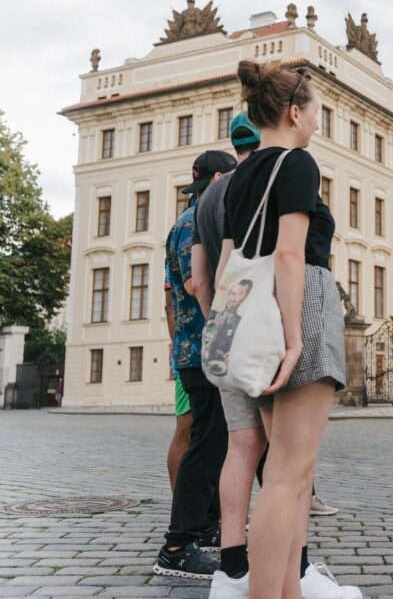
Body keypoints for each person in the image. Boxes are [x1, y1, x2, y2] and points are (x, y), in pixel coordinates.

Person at [214, 62, 356, 599]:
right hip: (300, 306)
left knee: (293, 470)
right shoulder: (298, 163)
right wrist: (295, 337)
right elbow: (291, 255)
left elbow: (232, 259)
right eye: (317, 108)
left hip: (251, 313)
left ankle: (290, 593)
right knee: (287, 477)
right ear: (296, 112)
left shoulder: (240, 176)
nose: (319, 119)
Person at [154, 152, 236, 579]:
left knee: (212, 441)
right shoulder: (198, 223)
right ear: (221, 179)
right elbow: (197, 285)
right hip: (207, 347)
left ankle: (203, 528)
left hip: (195, 349)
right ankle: (176, 544)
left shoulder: (182, 222)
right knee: (206, 444)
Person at [165, 281, 193, 493]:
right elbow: (169, 307)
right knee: (185, 428)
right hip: (189, 356)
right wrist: (180, 349)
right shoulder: (179, 246)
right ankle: (180, 507)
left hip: (189, 353)